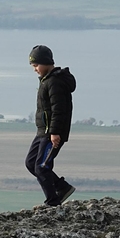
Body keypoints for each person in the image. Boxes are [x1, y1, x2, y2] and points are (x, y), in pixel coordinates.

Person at [25, 45, 77, 206]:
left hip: (53, 133)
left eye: (36, 65)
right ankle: (62, 187)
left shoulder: (55, 82)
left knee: (42, 166)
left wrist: (54, 132)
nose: (35, 69)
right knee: (31, 163)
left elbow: (59, 110)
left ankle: (53, 201)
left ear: (46, 62)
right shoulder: (46, 80)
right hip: (43, 131)